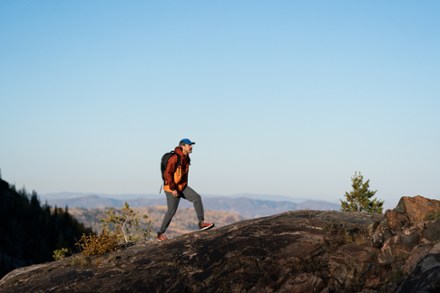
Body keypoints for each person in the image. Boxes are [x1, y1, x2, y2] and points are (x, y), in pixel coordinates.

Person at [157, 138, 214, 241]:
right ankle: (160, 234)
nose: (191, 147)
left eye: (191, 145)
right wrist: (173, 188)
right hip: (171, 188)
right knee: (171, 211)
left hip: (181, 187)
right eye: (189, 145)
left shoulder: (186, 158)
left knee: (197, 198)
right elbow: (167, 174)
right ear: (183, 146)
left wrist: (182, 186)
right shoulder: (174, 158)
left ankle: (201, 223)